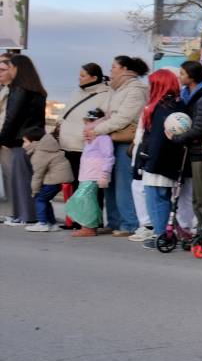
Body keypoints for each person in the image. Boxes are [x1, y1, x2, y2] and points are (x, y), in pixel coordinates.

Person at [88, 55, 149, 237]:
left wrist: (97, 130)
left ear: (125, 69)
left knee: (123, 183)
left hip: (125, 141)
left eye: (114, 67)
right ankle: (114, 221)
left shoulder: (136, 89)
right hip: (111, 139)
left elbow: (124, 117)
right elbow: (109, 115)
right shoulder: (116, 89)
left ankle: (129, 223)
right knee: (109, 182)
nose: (111, 70)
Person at [131, 69, 186, 250]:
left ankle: (161, 233)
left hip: (158, 162)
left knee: (156, 198)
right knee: (163, 198)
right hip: (170, 160)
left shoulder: (160, 108)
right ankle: (166, 232)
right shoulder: (177, 105)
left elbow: (156, 139)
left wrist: (147, 162)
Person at [170, 60, 202, 235]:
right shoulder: (186, 95)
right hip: (192, 150)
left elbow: (199, 128)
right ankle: (201, 227)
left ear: (191, 77)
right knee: (196, 196)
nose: (179, 76)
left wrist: (177, 138)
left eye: (182, 73)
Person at [57, 63, 111, 214]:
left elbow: (102, 118)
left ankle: (91, 220)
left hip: (86, 147)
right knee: (72, 183)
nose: (79, 79)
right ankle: (75, 218)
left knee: (88, 185)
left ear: (94, 77)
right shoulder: (76, 92)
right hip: (68, 145)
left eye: (83, 76)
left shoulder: (105, 95)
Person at [0, 54, 47, 225]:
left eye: (10, 67)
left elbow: (12, 118)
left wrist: (2, 139)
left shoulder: (19, 90)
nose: (9, 70)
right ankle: (25, 215)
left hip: (19, 140)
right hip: (33, 138)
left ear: (18, 68)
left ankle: (25, 215)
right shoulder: (36, 90)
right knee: (28, 179)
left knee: (20, 180)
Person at [66, 108, 114, 236]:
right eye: (86, 122)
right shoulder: (89, 138)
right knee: (87, 199)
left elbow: (108, 156)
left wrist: (105, 174)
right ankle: (90, 224)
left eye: (90, 121)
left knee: (83, 198)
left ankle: (89, 227)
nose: (87, 124)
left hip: (94, 175)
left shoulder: (103, 137)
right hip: (87, 174)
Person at [24, 125, 73, 232]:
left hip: (54, 180)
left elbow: (38, 175)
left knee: (40, 199)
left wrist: (35, 190)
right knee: (45, 200)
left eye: (25, 141)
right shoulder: (49, 147)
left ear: (34, 142)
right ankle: (52, 223)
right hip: (59, 179)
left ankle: (42, 223)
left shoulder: (40, 153)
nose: (24, 145)